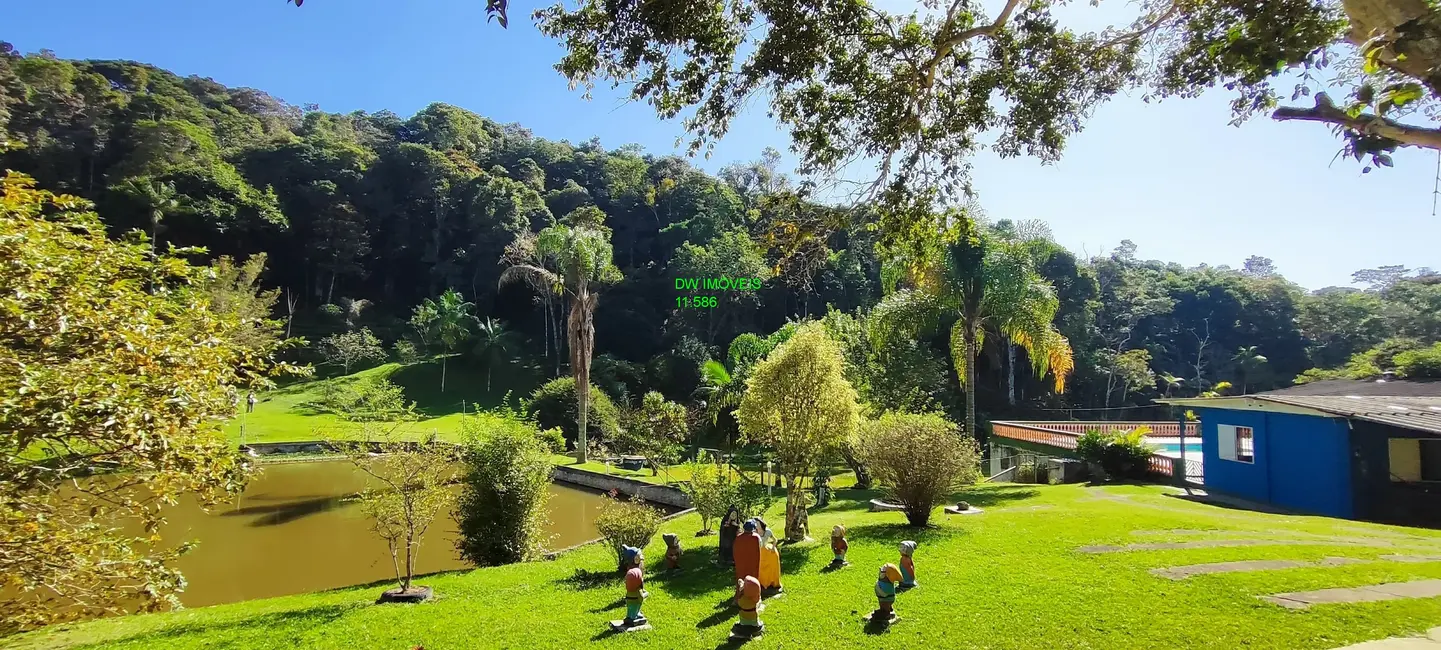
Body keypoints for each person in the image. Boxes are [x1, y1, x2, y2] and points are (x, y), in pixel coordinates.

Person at [755, 517, 783, 593]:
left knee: (771, 566)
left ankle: (772, 582)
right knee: (760, 567)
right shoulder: (754, 532)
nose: (756, 525)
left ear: (761, 523)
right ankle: (761, 582)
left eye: (757, 523)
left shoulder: (768, 531)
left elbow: (775, 540)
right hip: (758, 551)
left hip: (767, 550)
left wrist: (773, 547)